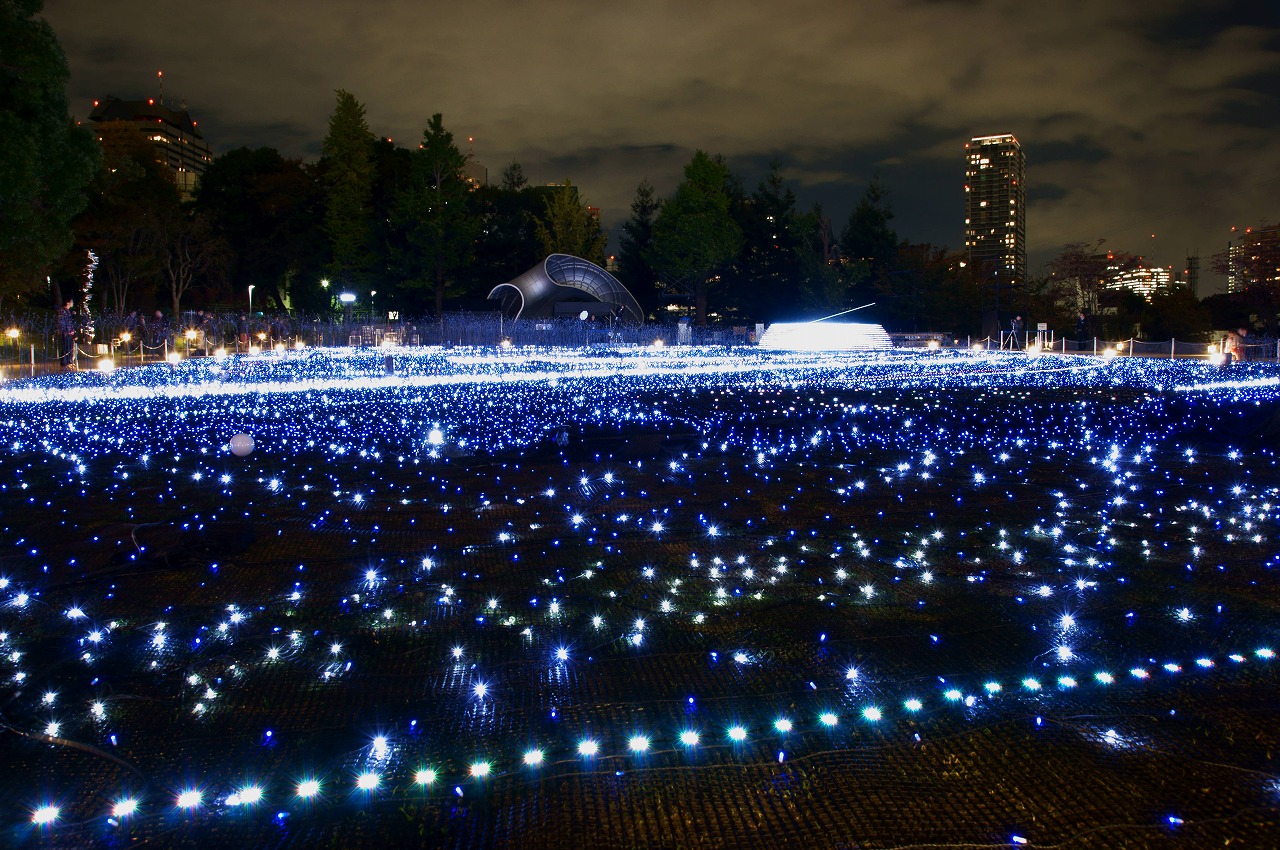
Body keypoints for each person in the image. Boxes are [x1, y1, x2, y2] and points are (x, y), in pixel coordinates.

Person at [56, 298, 77, 369]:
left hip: (70, 333)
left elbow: (70, 322)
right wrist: (66, 331)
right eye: (72, 301)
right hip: (66, 333)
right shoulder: (62, 311)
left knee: (70, 348)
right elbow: (62, 322)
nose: (72, 303)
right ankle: (64, 363)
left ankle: (69, 362)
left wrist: (73, 332)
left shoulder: (68, 311)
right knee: (66, 347)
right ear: (67, 302)